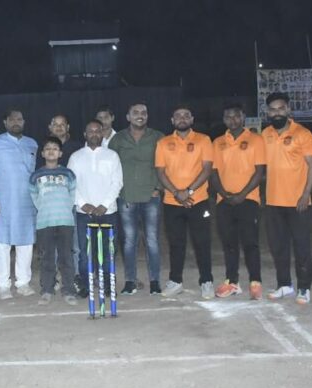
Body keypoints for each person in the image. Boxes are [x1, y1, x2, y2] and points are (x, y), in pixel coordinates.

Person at [261, 93, 312, 304]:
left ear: (288, 110)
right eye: (273, 109)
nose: (277, 113)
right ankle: (284, 285)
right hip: (273, 201)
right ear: (268, 112)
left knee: (301, 246)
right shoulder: (265, 134)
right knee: (278, 246)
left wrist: (306, 194)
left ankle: (304, 287)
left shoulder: (302, 133)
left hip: (297, 202)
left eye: (280, 108)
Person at [154, 105, 215, 298]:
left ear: (192, 119)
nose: (182, 118)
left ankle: (206, 281)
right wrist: (176, 192)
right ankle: (175, 281)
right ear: (172, 120)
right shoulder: (163, 142)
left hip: (198, 201)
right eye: (178, 116)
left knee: (202, 242)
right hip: (172, 202)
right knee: (176, 243)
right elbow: (160, 172)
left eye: (186, 115)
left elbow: (207, 169)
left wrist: (188, 191)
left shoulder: (203, 140)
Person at [210, 104, 266, 299]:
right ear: (224, 119)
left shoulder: (256, 139)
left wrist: (242, 194)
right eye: (228, 117)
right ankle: (232, 282)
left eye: (236, 116)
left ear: (243, 117)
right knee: (229, 243)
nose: (232, 120)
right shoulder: (218, 142)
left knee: (250, 243)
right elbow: (214, 172)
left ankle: (255, 282)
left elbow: (259, 172)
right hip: (224, 200)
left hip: (248, 199)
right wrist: (224, 194)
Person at [109, 102, 164, 295]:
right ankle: (130, 281)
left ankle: (155, 281)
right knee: (129, 241)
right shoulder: (118, 139)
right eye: (135, 112)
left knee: (152, 241)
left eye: (143, 112)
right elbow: (111, 166)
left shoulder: (158, 137)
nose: (140, 115)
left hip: (151, 197)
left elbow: (165, 165)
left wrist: (159, 187)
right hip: (126, 198)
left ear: (147, 116)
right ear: (128, 117)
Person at [0, 108, 38, 298]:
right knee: (2, 243)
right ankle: (3, 285)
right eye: (12, 119)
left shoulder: (32, 144)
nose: (16, 122)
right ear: (5, 122)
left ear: (24, 122)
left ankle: (23, 282)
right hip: (2, 202)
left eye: (20, 119)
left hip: (26, 202)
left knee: (26, 243)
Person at [69, 120, 124, 298]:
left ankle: (108, 285)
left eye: (97, 131)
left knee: (108, 252)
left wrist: (104, 205)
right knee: (85, 253)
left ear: (102, 134)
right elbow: (71, 184)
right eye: (90, 131)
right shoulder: (76, 157)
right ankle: (86, 285)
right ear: (85, 134)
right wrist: (83, 203)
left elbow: (117, 183)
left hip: (108, 212)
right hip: (83, 213)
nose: (94, 134)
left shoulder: (112, 156)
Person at [30, 137, 79, 305]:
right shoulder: (36, 175)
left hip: (65, 220)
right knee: (47, 258)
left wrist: (64, 208)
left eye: (55, 148)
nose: (51, 151)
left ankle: (69, 290)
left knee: (66, 257)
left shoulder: (68, 174)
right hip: (45, 221)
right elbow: (34, 197)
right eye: (48, 148)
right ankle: (47, 290)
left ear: (60, 153)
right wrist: (46, 209)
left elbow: (72, 195)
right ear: (43, 153)